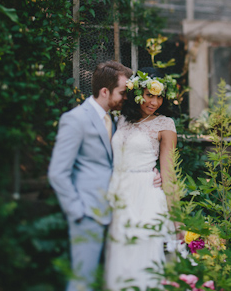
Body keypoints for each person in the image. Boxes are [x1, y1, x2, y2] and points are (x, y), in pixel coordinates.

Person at [48, 61, 162, 291]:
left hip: (116, 212)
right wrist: (77, 212)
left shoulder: (116, 120)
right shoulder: (76, 119)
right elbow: (58, 172)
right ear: (104, 91)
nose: (126, 98)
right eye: (122, 93)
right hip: (88, 213)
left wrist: (148, 172)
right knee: (83, 279)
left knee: (112, 279)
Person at [104, 67, 181, 291]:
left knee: (143, 261)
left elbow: (169, 173)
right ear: (138, 93)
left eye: (159, 96)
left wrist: (178, 220)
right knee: (118, 261)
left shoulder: (165, 125)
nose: (154, 102)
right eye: (149, 95)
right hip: (118, 196)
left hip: (146, 196)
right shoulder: (120, 119)